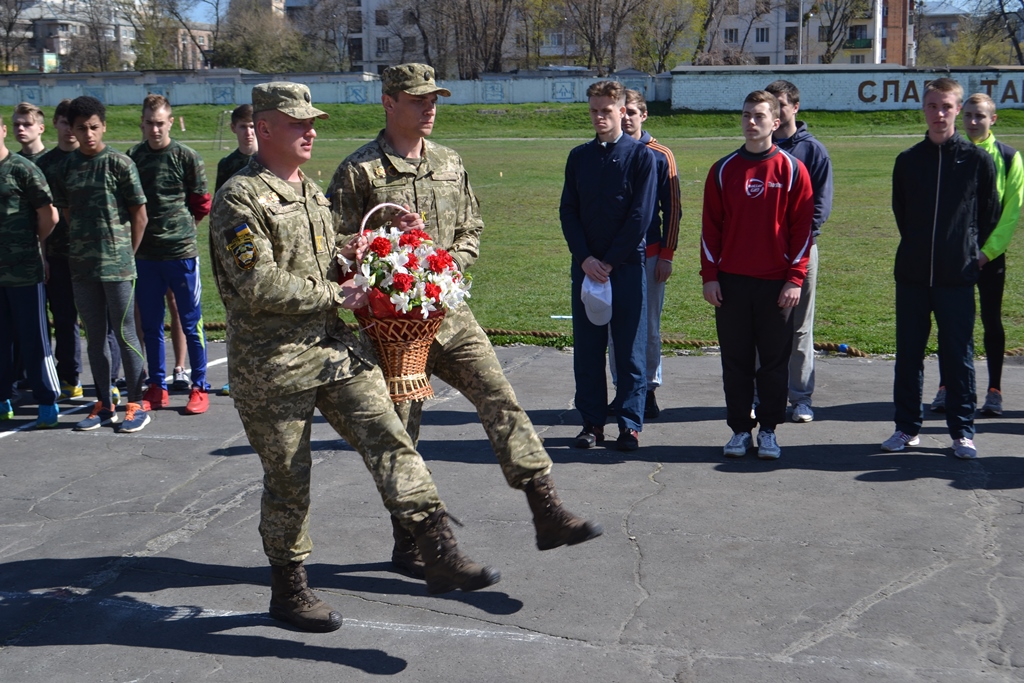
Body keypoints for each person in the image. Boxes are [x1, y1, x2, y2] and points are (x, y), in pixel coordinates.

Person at [211, 81, 501, 632]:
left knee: (391, 436)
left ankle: (436, 546)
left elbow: (328, 256)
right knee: (288, 477)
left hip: (331, 349)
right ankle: (289, 589)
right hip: (271, 363)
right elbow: (256, 282)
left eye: (312, 122)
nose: (310, 131)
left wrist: (374, 244)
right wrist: (333, 293)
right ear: (264, 128)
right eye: (297, 123)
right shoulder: (239, 197)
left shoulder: (309, 191)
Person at [330, 63, 602, 579]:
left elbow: (471, 226)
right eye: (418, 99)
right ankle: (412, 544)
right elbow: (335, 243)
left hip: (450, 316)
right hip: (392, 329)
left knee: (499, 396)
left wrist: (449, 263)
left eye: (434, 99)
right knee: (402, 433)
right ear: (389, 102)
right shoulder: (360, 171)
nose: (429, 107)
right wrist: (376, 241)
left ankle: (545, 509)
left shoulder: (450, 162)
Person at [884, 78, 1002, 460]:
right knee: (908, 355)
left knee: (958, 356)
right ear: (924, 109)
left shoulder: (977, 161)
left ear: (957, 110)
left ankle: (962, 431)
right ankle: (906, 428)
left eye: (947, 107)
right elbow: (902, 213)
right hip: (913, 277)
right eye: (933, 106)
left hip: (956, 277)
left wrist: (966, 252)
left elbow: (988, 214)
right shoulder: (907, 161)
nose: (939, 114)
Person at [700, 90, 813, 461]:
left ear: (775, 122)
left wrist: (794, 278)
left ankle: (768, 431)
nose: (751, 122)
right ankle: (738, 430)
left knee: (774, 363)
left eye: (759, 116)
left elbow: (802, 229)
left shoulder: (792, 169)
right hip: (731, 283)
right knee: (736, 362)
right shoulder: (723, 170)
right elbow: (710, 229)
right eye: (747, 115)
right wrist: (710, 276)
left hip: (776, 284)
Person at [560, 79, 657, 451]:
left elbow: (640, 216)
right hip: (587, 269)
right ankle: (592, 423)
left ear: (621, 110)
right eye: (593, 111)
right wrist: (585, 258)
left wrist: (610, 261)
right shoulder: (579, 157)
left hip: (625, 267)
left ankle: (629, 425)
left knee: (629, 348)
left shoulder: (641, 157)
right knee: (588, 350)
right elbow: (569, 211)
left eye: (606, 110)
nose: (599, 117)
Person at [50, 95, 151, 434]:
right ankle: (105, 404)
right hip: (82, 267)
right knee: (94, 338)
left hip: (118, 266)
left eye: (94, 127)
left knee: (125, 334)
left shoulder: (120, 163)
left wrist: (126, 253)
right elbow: (67, 213)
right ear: (72, 130)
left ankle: (136, 403)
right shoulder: (66, 168)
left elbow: (140, 214)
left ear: (103, 126)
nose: (88, 134)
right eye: (82, 128)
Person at [929, 92, 1022, 417]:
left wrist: (986, 253)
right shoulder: (951, 152)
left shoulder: (1008, 157)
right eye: (967, 114)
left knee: (991, 321)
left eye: (979, 116)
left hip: (989, 256)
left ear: (992, 119)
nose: (972, 121)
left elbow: (1011, 213)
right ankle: (946, 386)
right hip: (955, 255)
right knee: (951, 322)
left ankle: (994, 390)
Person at [128, 94, 212, 415]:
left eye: (160, 123)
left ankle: (199, 385)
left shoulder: (186, 156)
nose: (155, 129)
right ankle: (157, 386)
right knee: (151, 325)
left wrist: (183, 230)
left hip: (181, 253)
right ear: (142, 123)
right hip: (146, 256)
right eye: (149, 123)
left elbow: (201, 203)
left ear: (171, 123)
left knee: (191, 322)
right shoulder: (133, 157)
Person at [37, 100, 124, 405]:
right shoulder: (48, 165)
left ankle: (111, 380)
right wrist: (43, 255)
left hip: (98, 256)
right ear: (58, 125)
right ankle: (69, 377)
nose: (71, 131)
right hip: (60, 253)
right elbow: (42, 214)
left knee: (105, 323)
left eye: (82, 125)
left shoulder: (102, 160)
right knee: (64, 319)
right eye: (65, 123)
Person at [608, 89, 681, 420]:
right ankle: (622, 388)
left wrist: (667, 254)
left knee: (648, 326)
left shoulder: (660, 154)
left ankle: (648, 390)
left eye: (632, 112)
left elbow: (673, 209)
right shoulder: (608, 151)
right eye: (622, 112)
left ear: (644, 115)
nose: (626, 118)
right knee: (614, 327)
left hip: (650, 255)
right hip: (613, 259)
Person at [764, 80, 833, 424]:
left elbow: (820, 207)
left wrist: (796, 243)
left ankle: (801, 397)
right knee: (762, 326)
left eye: (781, 103)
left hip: (802, 250)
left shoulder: (813, 151)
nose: (776, 110)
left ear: (795, 107)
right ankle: (761, 394)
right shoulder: (758, 148)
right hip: (763, 253)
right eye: (770, 104)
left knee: (799, 327)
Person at [0, 113, 61, 426]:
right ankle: (3, 398)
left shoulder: (22, 169)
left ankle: (47, 401)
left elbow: (50, 215)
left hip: (24, 272)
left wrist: (30, 243)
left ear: (3, 131)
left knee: (33, 338)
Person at [215, 104, 257, 192]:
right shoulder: (226, 164)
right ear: (233, 128)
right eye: (243, 127)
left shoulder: (270, 161)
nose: (248, 133)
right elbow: (220, 196)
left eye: (252, 127)